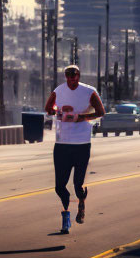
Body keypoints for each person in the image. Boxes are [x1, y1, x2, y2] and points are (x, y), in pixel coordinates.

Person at [44, 64, 105, 234]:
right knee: (59, 186)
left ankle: (81, 201)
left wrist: (81, 118)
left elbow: (101, 111)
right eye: (69, 75)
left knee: (78, 184)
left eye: (75, 75)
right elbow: (48, 108)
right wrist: (58, 112)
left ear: (79, 75)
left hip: (81, 144)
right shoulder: (59, 90)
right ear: (65, 76)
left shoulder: (88, 91)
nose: (72, 78)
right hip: (62, 144)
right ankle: (66, 216)